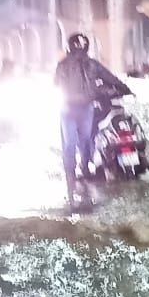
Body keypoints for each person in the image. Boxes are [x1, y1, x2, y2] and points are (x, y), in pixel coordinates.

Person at [54, 33, 132, 196]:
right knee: (85, 139)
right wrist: (125, 88)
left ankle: (71, 175)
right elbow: (110, 78)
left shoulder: (63, 65)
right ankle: (83, 168)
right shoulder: (92, 64)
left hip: (69, 108)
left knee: (70, 142)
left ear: (69, 46)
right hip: (85, 108)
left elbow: (56, 84)